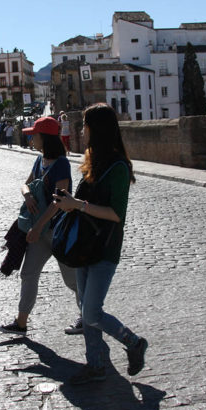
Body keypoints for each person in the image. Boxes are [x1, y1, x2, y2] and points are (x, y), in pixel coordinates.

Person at [53, 103, 147, 385]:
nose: (82, 130)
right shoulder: (92, 157)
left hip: (104, 247)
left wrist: (78, 204)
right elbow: (86, 203)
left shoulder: (118, 166)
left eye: (85, 124)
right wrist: (69, 203)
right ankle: (95, 364)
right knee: (85, 307)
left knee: (92, 310)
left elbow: (115, 213)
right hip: (84, 243)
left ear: (97, 128)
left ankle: (133, 342)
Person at [0, 116, 82, 337]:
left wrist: (38, 227)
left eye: (34, 135)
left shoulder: (61, 163)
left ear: (45, 137)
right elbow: (25, 184)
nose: (31, 139)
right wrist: (27, 196)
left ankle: (88, 315)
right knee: (28, 274)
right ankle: (20, 323)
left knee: (71, 280)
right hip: (39, 232)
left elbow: (59, 200)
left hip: (55, 231)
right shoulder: (39, 160)